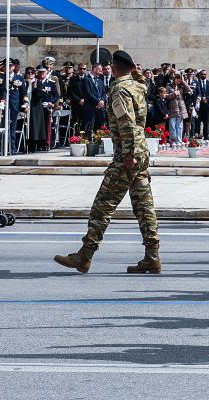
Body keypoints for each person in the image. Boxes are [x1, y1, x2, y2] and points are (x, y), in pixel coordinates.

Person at [54, 49, 160, 275]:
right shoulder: (137, 86)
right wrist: (137, 73)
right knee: (144, 206)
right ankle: (152, 256)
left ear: (113, 67)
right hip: (142, 152)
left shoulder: (121, 90)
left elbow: (127, 123)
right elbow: (144, 85)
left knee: (102, 206)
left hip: (127, 156)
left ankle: (85, 256)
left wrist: (129, 154)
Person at [166, 75, 188, 144]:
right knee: (172, 126)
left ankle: (179, 140)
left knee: (180, 126)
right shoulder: (169, 86)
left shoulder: (181, 86)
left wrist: (183, 81)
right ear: (174, 79)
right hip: (172, 109)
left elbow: (189, 89)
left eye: (179, 79)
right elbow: (166, 96)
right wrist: (174, 94)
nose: (177, 80)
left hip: (181, 109)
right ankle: (172, 141)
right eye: (176, 79)